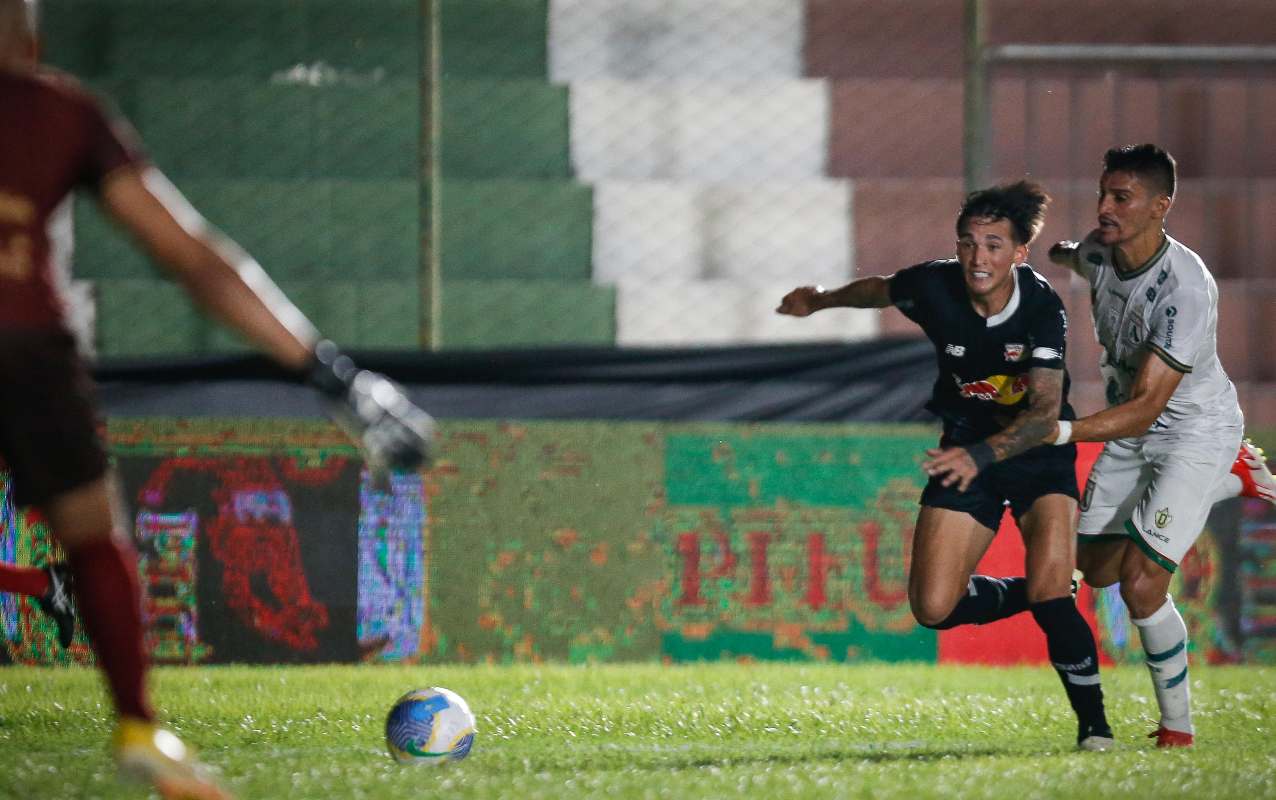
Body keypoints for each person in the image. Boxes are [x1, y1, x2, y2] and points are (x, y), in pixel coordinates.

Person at [0, 3, 436, 798]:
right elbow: (192, 256)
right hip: (25, 346)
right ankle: (138, 728)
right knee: (93, 534)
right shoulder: (59, 111)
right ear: (31, 38)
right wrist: (326, 369)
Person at [778, 180, 1113, 751]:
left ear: (1018, 254)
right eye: (968, 243)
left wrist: (980, 454)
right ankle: (1028, 591)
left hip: (1035, 454)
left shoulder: (1040, 309)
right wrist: (822, 298)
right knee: (934, 607)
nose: (978, 258)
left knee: (1056, 598)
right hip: (966, 444)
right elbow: (881, 291)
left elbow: (1040, 417)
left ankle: (1094, 726)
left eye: (993, 245)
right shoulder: (932, 286)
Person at [1048, 143, 1276, 748]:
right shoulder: (1100, 251)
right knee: (1096, 570)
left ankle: (1177, 729)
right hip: (1131, 429)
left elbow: (1150, 406)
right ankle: (1237, 479)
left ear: (1161, 206)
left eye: (1121, 198)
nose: (1104, 206)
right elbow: (1069, 254)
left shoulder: (1186, 290)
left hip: (1190, 433)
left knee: (1142, 583)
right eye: (1103, 194)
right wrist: (1050, 251)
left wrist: (1063, 431)